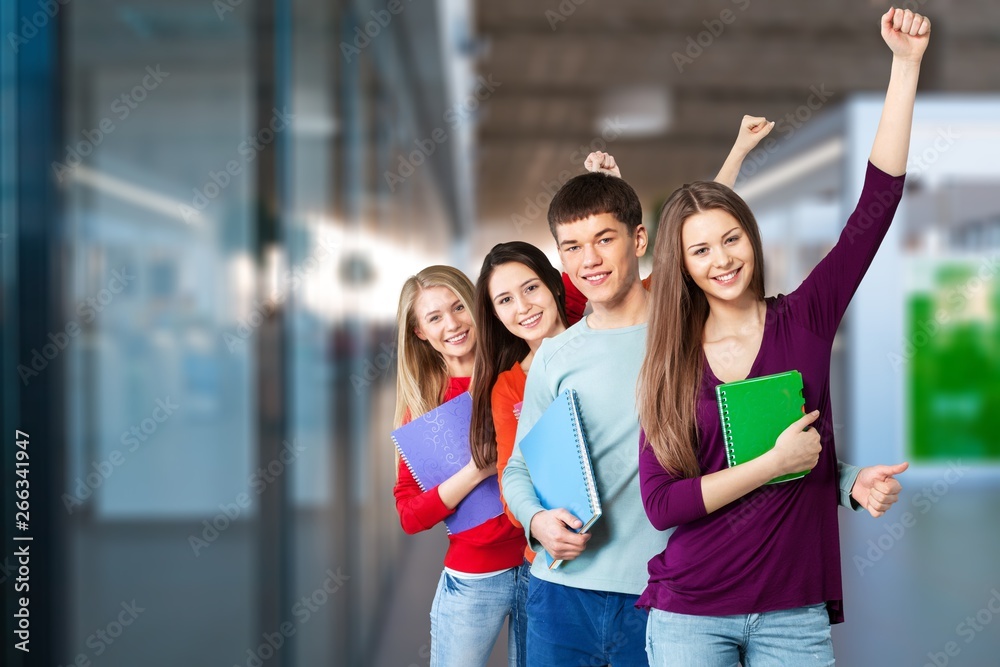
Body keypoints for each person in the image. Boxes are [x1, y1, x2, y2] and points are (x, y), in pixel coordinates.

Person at [501, 121, 908, 663]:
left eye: (605, 239)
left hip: (706, 592)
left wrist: (843, 478)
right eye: (573, 247)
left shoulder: (705, 330)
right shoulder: (621, 353)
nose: (590, 259)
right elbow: (649, 493)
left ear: (640, 243)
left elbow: (705, 229)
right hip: (611, 588)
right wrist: (535, 520)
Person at [636, 8, 929, 665]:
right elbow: (662, 503)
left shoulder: (806, 316)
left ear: (752, 236)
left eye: (732, 237)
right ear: (681, 266)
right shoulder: (669, 362)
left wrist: (905, 67)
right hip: (690, 612)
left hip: (792, 613)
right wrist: (772, 464)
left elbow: (875, 207)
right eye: (700, 250)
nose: (722, 259)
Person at [392, 265, 527, 667]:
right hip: (474, 578)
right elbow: (409, 516)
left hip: (547, 566)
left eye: (458, 307)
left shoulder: (522, 369)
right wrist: (475, 471)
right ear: (420, 332)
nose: (452, 324)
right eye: (434, 317)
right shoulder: (422, 406)